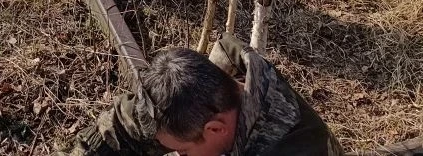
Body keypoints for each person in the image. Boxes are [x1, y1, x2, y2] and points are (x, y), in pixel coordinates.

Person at [62, 34, 343, 156]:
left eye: (184, 152)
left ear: (215, 129)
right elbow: (120, 127)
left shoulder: (297, 147)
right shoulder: (193, 90)